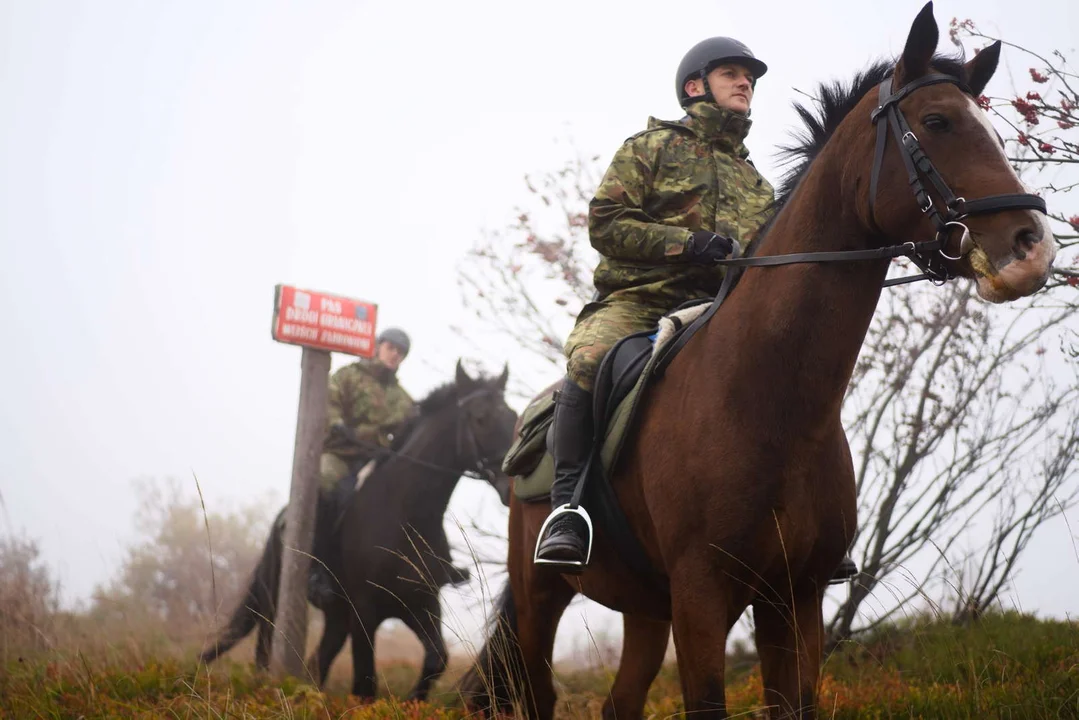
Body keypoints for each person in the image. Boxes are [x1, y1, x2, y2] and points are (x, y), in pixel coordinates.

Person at [533, 37, 859, 584]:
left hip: (719, 309)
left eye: (749, 78)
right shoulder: (652, 147)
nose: (744, 83)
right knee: (588, 359)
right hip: (639, 301)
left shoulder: (756, 181)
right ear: (694, 86)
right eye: (731, 73)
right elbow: (606, 225)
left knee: (797, 376)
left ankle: (816, 525)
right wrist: (688, 244)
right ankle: (569, 510)